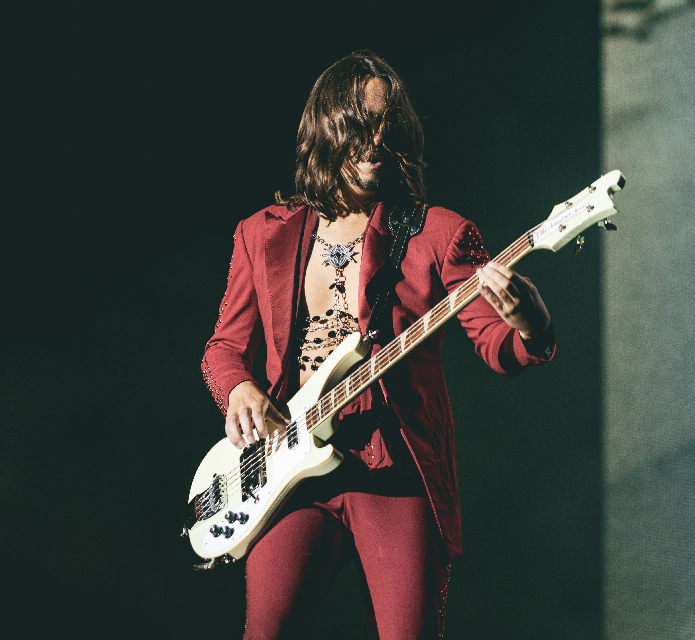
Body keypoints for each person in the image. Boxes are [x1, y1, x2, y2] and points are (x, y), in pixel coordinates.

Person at [200, 50, 556, 640]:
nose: (375, 141)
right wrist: (239, 387)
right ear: (327, 126)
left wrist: (532, 327)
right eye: (361, 126)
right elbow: (222, 349)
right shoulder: (262, 234)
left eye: (388, 127)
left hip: (394, 465)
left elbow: (494, 345)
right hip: (289, 466)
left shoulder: (439, 233)